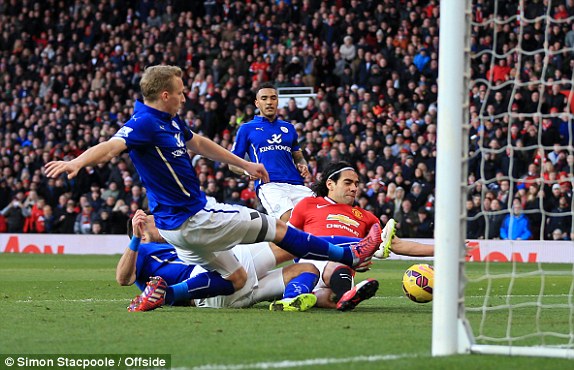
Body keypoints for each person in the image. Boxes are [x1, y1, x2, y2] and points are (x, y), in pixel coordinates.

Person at [45, 65, 381, 312]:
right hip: (195, 217)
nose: (184, 95)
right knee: (279, 229)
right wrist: (77, 162)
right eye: (180, 90)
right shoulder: (144, 123)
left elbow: (200, 143)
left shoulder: (172, 121)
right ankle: (348, 253)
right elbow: (111, 145)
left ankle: (167, 295)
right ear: (165, 95)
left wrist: (245, 164)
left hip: (175, 229)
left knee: (235, 278)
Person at [289, 162, 435, 310]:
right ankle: (338, 294)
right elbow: (287, 239)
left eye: (356, 184)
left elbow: (396, 244)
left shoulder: (366, 217)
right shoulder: (308, 204)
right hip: (311, 263)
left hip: (342, 274)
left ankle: (310, 296)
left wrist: (440, 250)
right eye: (348, 183)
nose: (354, 188)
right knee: (335, 267)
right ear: (330, 184)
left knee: (330, 297)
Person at [118, 210, 320, 312]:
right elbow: (123, 279)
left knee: (307, 269)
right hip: (206, 282)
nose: (159, 222)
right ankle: (339, 244)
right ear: (142, 235)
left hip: (219, 299)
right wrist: (135, 239)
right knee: (285, 243)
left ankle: (289, 301)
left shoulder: (174, 243)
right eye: (153, 221)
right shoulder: (142, 249)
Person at [230, 82, 314, 222]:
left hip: (297, 184)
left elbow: (298, 157)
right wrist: (247, 171)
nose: (269, 102)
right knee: (288, 219)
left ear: (277, 101)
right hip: (270, 184)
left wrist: (302, 164)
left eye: (273, 98)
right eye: (264, 98)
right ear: (257, 103)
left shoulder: (289, 128)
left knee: (318, 216)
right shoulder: (246, 129)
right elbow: (232, 163)